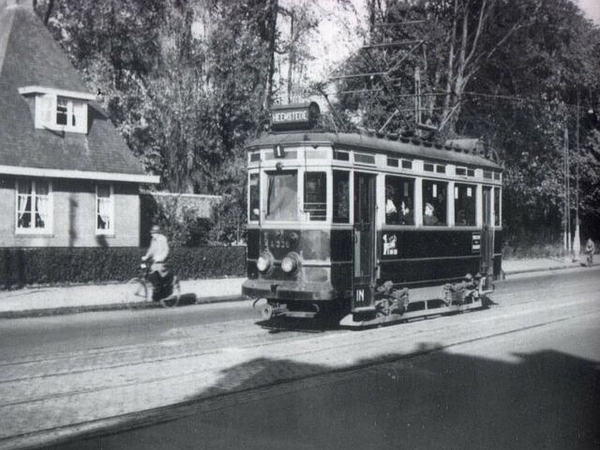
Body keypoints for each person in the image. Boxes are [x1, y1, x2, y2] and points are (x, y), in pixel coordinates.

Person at [142, 225, 172, 301]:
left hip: (162, 261)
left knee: (155, 270)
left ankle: (159, 290)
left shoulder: (162, 239)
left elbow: (166, 250)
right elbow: (151, 250)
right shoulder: (153, 240)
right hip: (155, 260)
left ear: (157, 233)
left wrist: (161, 258)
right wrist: (146, 256)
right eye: (152, 233)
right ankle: (157, 290)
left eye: (153, 233)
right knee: (149, 273)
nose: (152, 234)